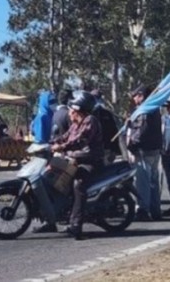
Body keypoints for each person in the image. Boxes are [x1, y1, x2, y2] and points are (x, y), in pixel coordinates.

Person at [50, 90, 104, 240]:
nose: (69, 113)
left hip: (90, 162)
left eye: (71, 110)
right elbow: (65, 137)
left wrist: (62, 147)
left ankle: (76, 226)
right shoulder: (76, 124)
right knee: (56, 177)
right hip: (76, 159)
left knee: (78, 185)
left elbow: (80, 140)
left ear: (78, 109)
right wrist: (49, 144)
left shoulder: (90, 121)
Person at [127, 84, 162, 221]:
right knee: (153, 181)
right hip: (155, 150)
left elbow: (141, 132)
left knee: (143, 183)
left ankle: (143, 210)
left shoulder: (143, 110)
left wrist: (131, 146)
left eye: (135, 96)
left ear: (141, 95)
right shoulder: (155, 109)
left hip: (143, 151)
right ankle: (155, 210)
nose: (134, 99)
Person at [90, 89, 121, 165]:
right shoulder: (88, 114)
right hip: (94, 151)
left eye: (98, 97)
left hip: (106, 149)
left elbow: (114, 131)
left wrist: (115, 150)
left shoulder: (106, 113)